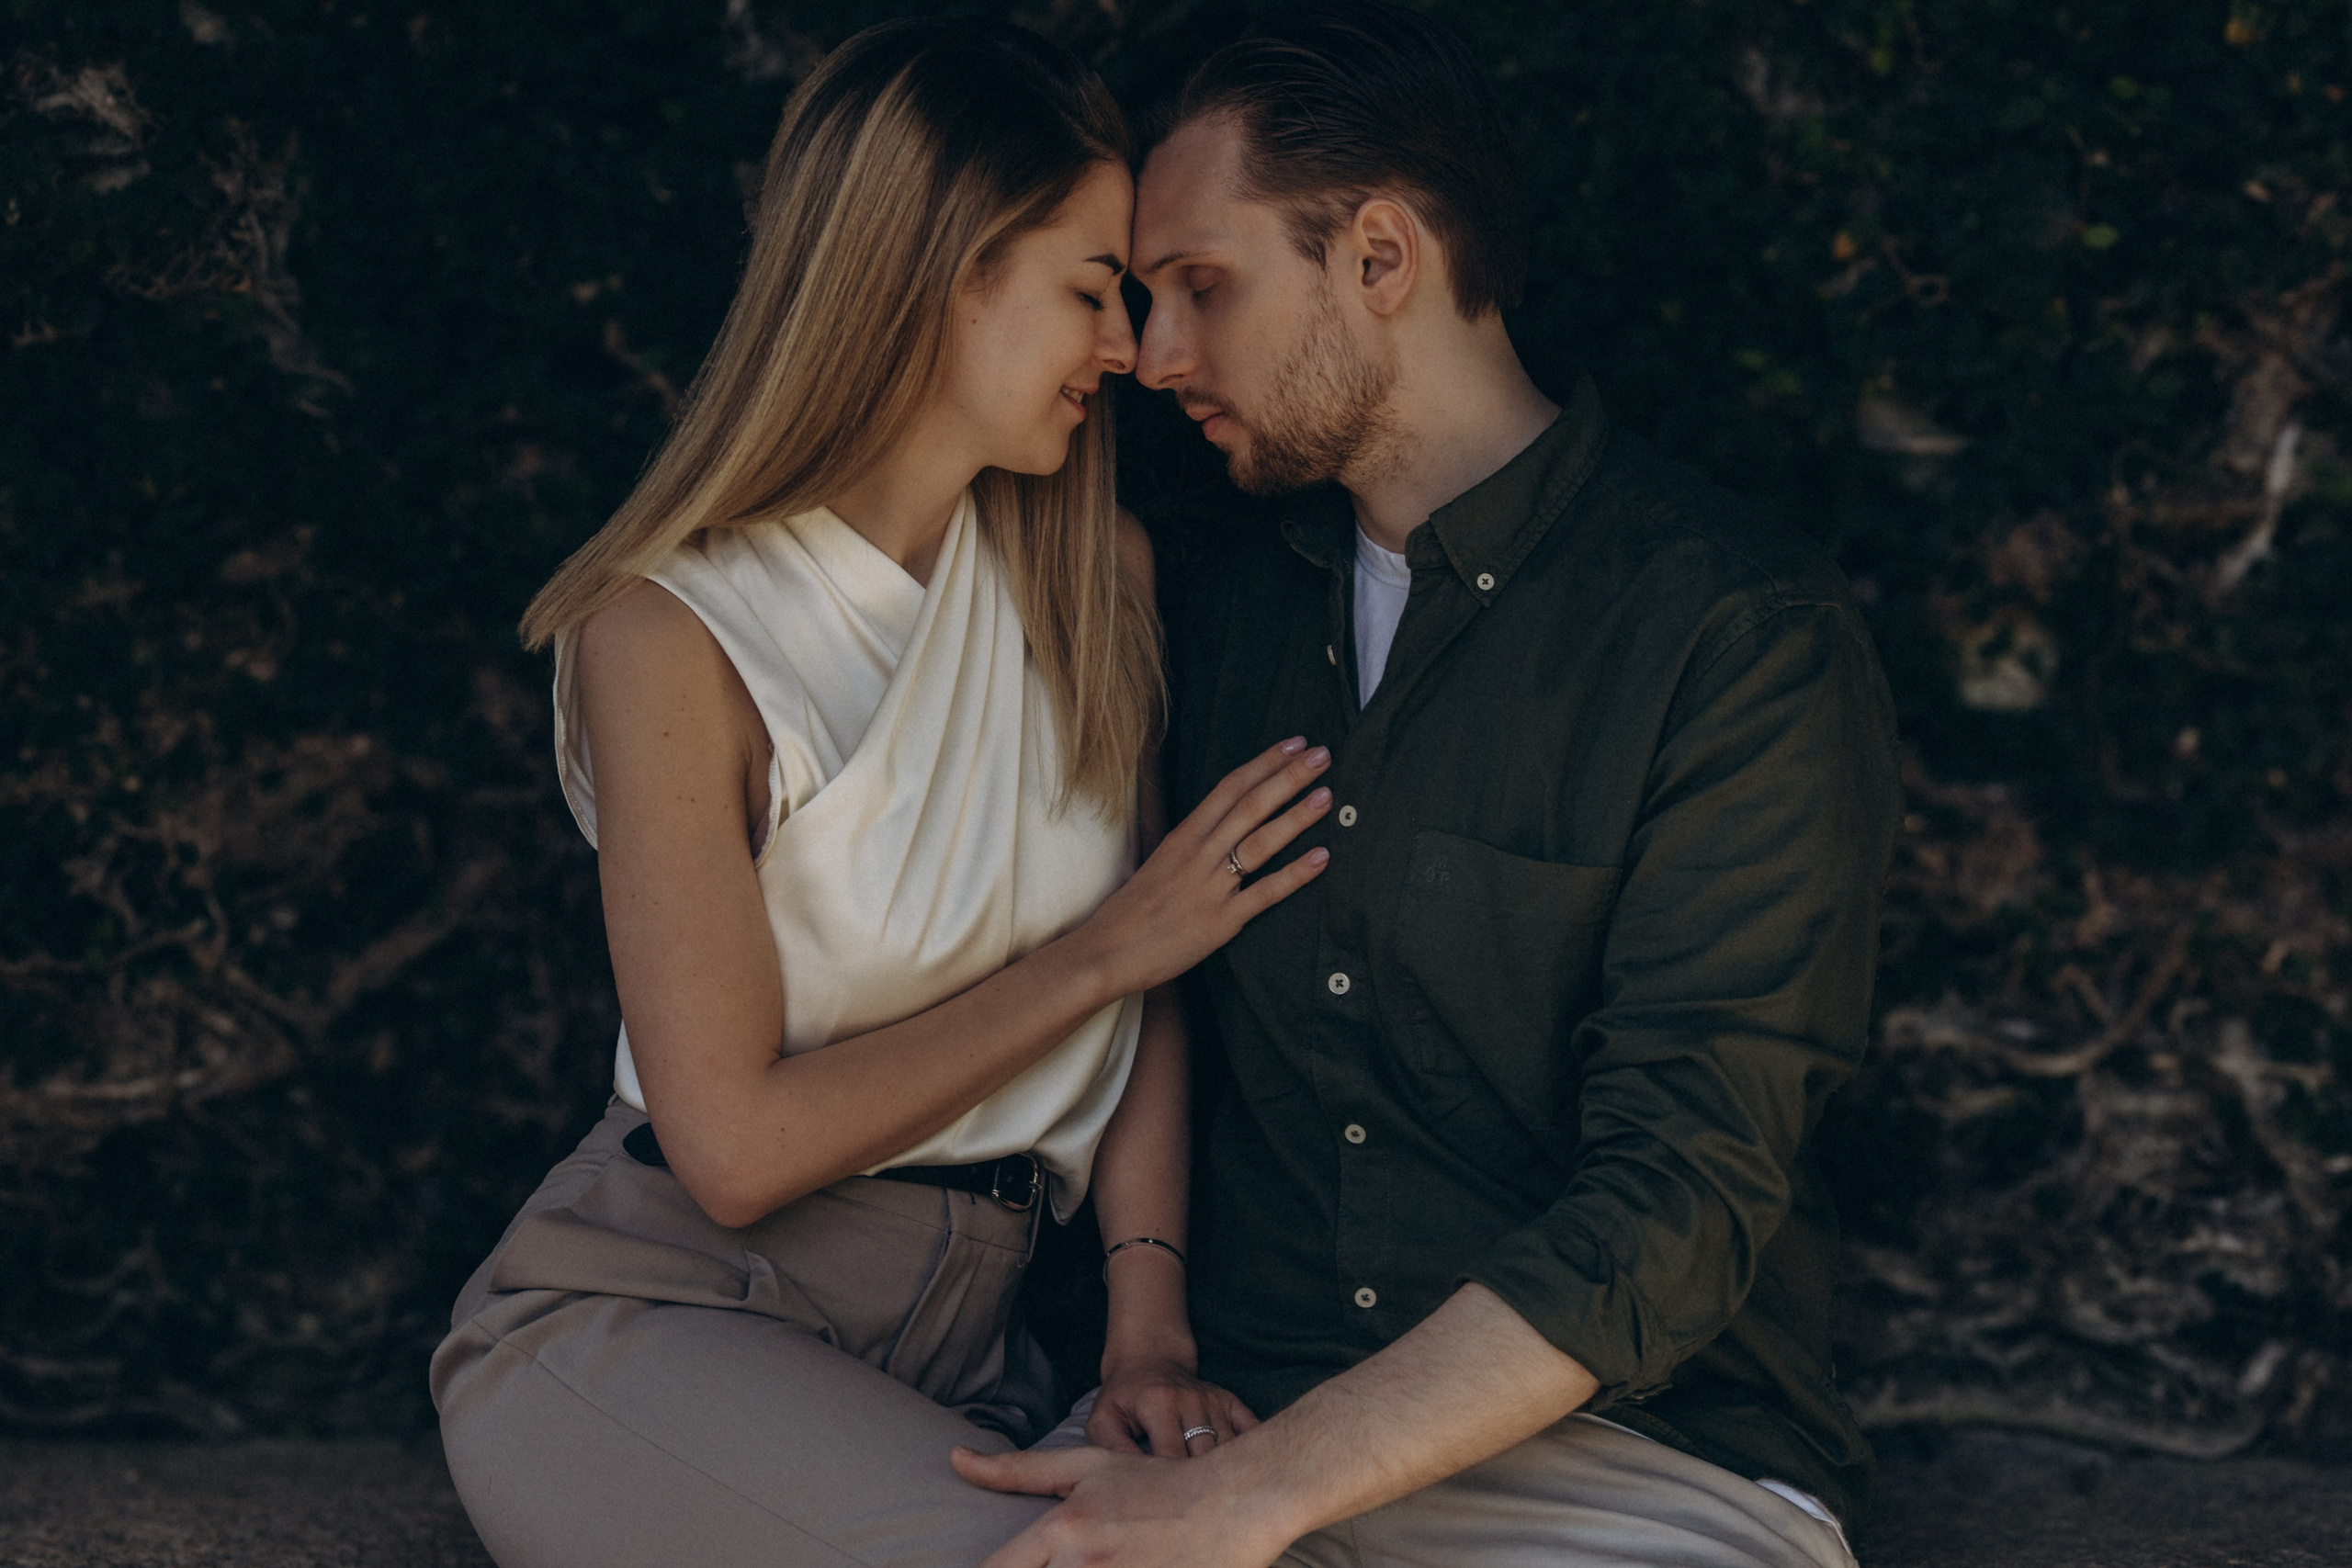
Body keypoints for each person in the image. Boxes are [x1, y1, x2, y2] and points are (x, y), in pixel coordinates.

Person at [955, 6, 1901, 1567]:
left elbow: (1681, 1195)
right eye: (1138, 298)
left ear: (1380, 258)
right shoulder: (1209, 604)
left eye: (1201, 285)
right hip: (1224, 1422)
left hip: (1625, 1459)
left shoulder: (1734, 642)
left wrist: (1262, 1499)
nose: (1152, 353)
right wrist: (1170, 1382)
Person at [430, 20, 1332, 1568]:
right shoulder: (672, 637)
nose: (1126, 349)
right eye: (1086, 291)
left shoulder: (1089, 577)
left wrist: (1145, 1340)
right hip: (655, 1313)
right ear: (943, 275)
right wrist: (1110, 946)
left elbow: (1147, 996)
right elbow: (735, 1147)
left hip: (980, 1347)